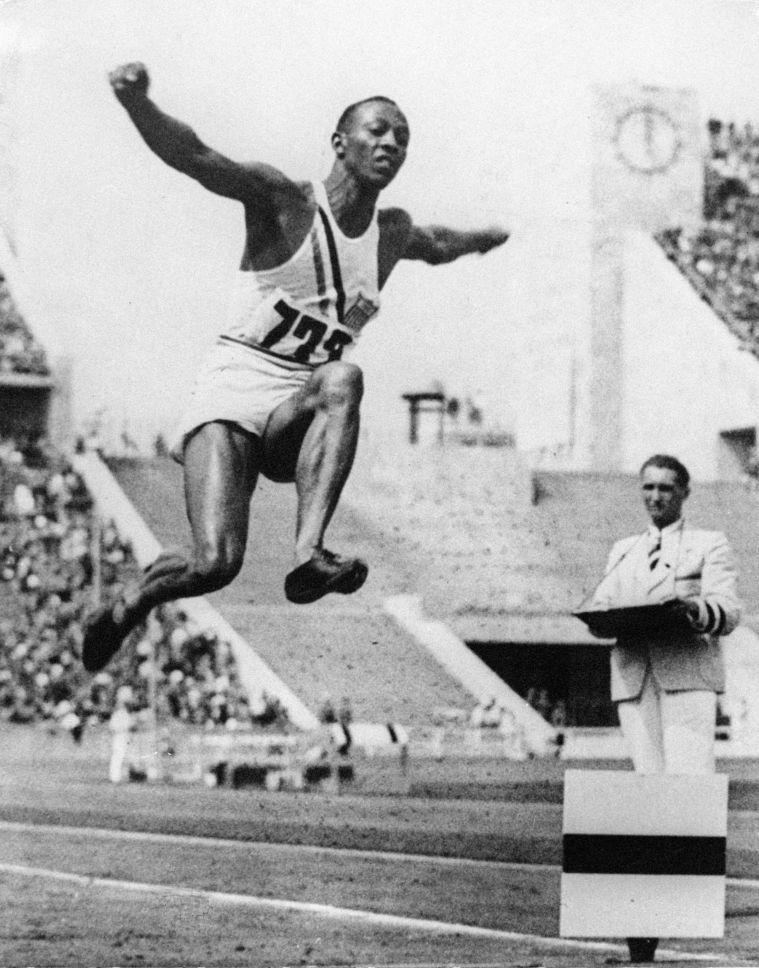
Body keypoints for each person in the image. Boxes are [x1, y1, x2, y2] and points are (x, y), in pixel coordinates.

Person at [81, 63, 509, 674]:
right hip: (234, 391)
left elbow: (438, 245)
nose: (391, 144)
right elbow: (196, 157)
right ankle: (132, 603)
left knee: (344, 378)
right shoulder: (284, 202)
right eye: (378, 130)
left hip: (296, 409)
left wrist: (484, 239)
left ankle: (310, 553)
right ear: (341, 142)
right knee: (214, 565)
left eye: (403, 138)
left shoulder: (391, 232)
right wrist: (136, 103)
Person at [591, 454, 742, 964]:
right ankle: (643, 928)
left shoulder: (708, 543)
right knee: (645, 794)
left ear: (684, 493)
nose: (656, 497)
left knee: (686, 791)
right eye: (648, 488)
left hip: (687, 676)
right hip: (635, 678)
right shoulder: (623, 549)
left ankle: (672, 910)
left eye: (666, 489)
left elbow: (729, 610)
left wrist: (694, 610)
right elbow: (603, 604)